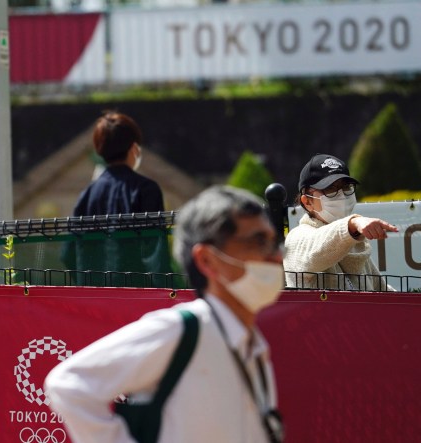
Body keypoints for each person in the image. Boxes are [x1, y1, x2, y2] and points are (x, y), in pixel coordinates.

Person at [45, 186, 285, 443]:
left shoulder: (256, 349)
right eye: (258, 241)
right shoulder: (183, 330)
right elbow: (69, 384)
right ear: (207, 260)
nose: (274, 256)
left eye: (275, 242)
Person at [61, 111, 171, 285]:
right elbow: (155, 252)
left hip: (96, 301)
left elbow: (68, 253)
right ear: (134, 148)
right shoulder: (146, 189)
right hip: (137, 298)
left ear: (100, 149)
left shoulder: (87, 194)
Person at [284, 154, 397, 291]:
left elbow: (384, 295)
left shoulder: (358, 247)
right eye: (330, 189)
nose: (342, 195)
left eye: (346, 187)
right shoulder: (296, 238)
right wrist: (351, 224)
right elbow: (316, 250)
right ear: (307, 202)